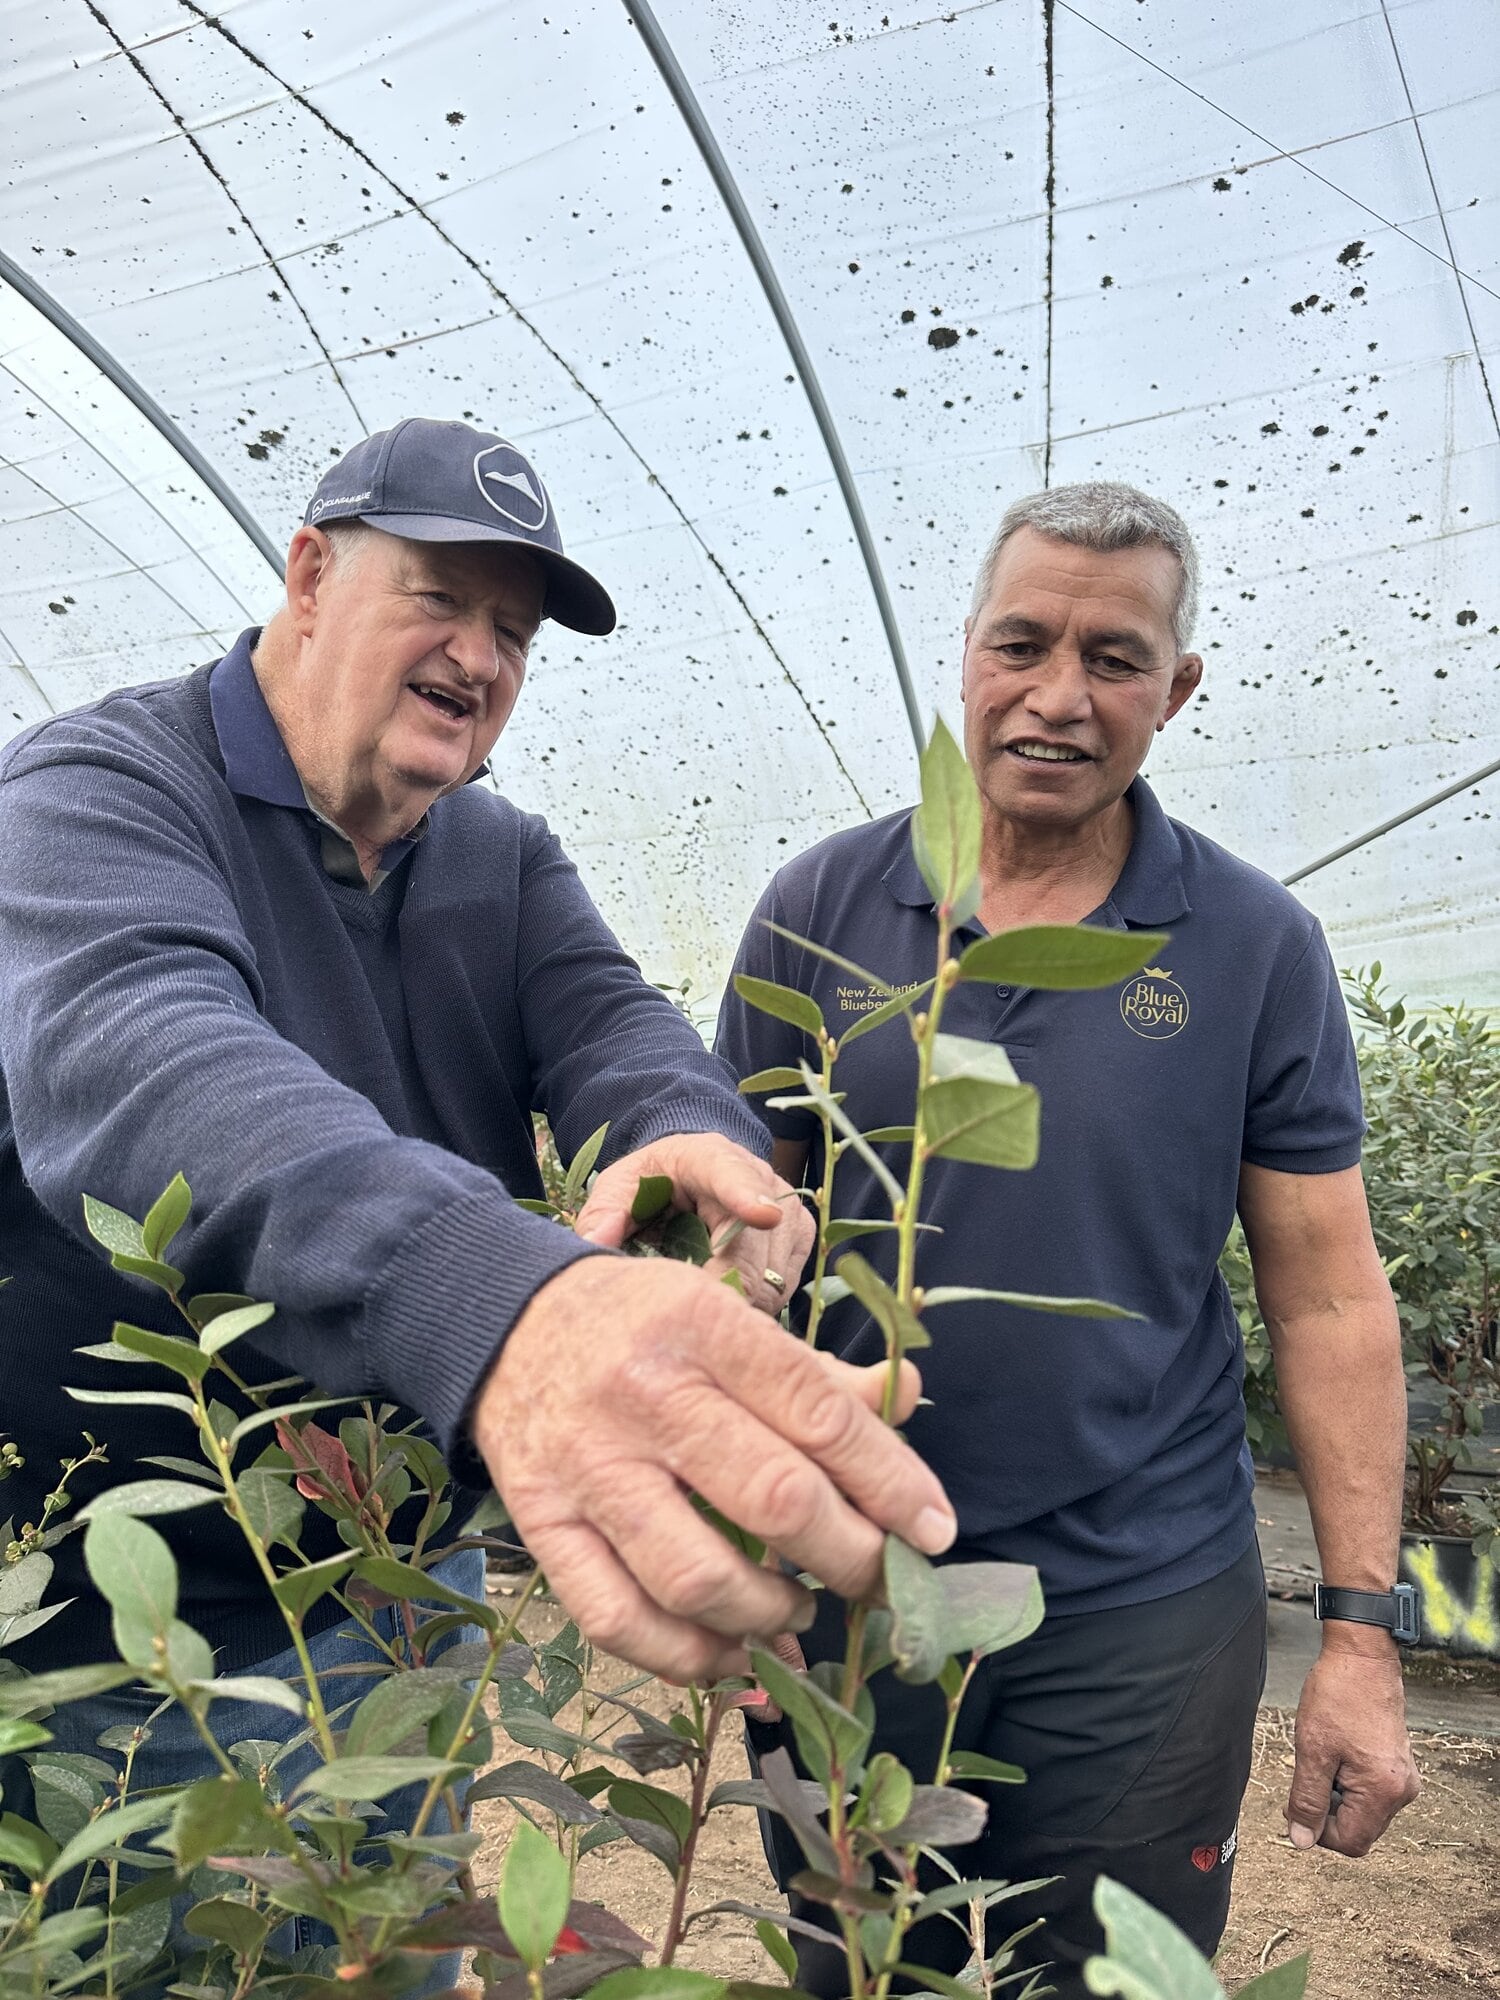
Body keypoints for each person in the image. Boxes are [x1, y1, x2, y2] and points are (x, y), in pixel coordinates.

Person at [0, 421, 956, 1854]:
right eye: (440, 598)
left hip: (403, 1606)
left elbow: (618, 1027)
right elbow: (155, 1065)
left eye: (513, 629)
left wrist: (693, 1145)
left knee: (390, 1941)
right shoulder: (100, 793)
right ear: (310, 575)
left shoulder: (497, 855)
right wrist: (507, 1300)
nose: (480, 654)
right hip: (124, 1647)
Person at [716, 482, 1420, 1995]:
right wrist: (734, 1543)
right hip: (861, 1586)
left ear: (1177, 690)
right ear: (965, 654)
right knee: (867, 1964)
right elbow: (745, 1240)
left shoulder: (1248, 944)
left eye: (1114, 658)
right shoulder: (819, 910)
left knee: (1105, 1980)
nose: (1058, 696)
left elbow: (1333, 1304)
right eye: (1022, 643)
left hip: (1143, 1613)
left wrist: (1362, 1638)